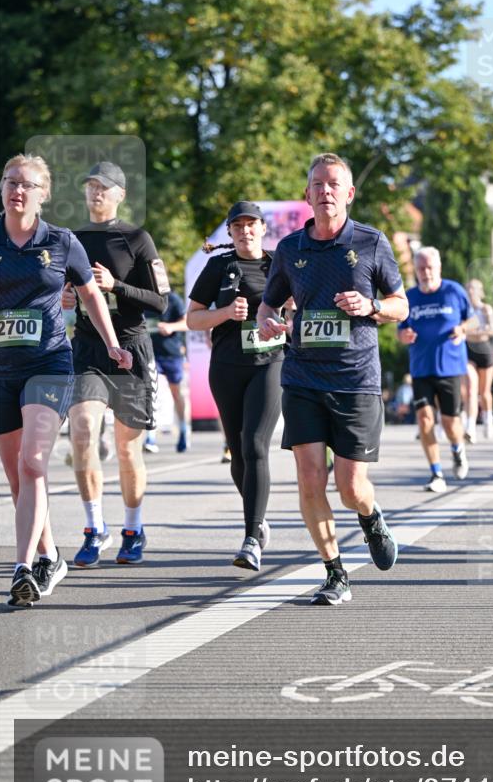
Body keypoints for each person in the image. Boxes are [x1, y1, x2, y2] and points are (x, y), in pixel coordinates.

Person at [257, 152, 408, 605]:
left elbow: (401, 303)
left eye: (333, 184)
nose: (325, 191)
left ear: (348, 193)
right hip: (302, 376)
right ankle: (334, 571)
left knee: (351, 487)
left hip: (356, 378)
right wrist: (267, 322)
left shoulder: (371, 241)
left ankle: (371, 516)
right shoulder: (289, 249)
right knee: (309, 479)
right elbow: (269, 305)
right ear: (307, 194)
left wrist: (373, 307)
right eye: (317, 184)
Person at [0, 153, 131, 608]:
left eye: (27, 184)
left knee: (34, 461)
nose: (17, 189)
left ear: (43, 194)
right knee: (18, 476)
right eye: (10, 181)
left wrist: (112, 344)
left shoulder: (61, 241)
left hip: (48, 362)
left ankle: (21, 568)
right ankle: (50, 555)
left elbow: (90, 292)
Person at [63, 161, 169, 567]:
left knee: (128, 450)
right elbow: (59, 289)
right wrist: (66, 299)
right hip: (89, 349)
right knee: (84, 432)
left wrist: (115, 286)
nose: (95, 193)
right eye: (90, 186)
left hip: (131, 349)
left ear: (120, 194)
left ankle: (133, 528)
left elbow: (159, 301)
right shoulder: (72, 239)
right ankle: (94, 528)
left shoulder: (137, 239)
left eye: (103, 187)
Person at [186, 201, 285, 570]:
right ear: (230, 232)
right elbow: (193, 319)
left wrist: (285, 311)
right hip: (227, 366)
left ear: (263, 228)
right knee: (238, 454)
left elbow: (298, 308)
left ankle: (250, 537)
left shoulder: (279, 264)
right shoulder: (219, 266)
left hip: (270, 363)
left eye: (251, 224)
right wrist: (226, 313)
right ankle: (257, 514)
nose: (245, 231)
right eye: (237, 226)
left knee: (255, 443)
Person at [398, 247, 474, 495]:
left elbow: (472, 319)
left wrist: (463, 329)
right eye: (421, 268)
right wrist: (404, 335)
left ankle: (457, 449)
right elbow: (401, 331)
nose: (426, 272)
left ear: (438, 268)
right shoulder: (409, 297)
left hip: (450, 368)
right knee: (425, 420)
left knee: (451, 424)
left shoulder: (454, 291)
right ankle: (436, 472)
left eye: (430, 267)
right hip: (421, 369)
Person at [143, 288, 189, 454]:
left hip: (172, 353)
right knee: (150, 391)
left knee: (176, 392)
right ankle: (150, 436)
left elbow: (187, 322)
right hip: (150, 352)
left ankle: (183, 430)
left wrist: (171, 326)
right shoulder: (143, 296)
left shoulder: (173, 299)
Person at [464, 278, 493, 441]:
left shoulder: (485, 309)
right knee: (471, 388)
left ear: (480, 291)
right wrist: (477, 331)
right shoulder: (464, 310)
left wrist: (473, 332)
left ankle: (488, 420)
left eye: (474, 288)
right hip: (468, 351)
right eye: (468, 287)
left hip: (484, 351)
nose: (470, 291)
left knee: (484, 392)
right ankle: (470, 427)